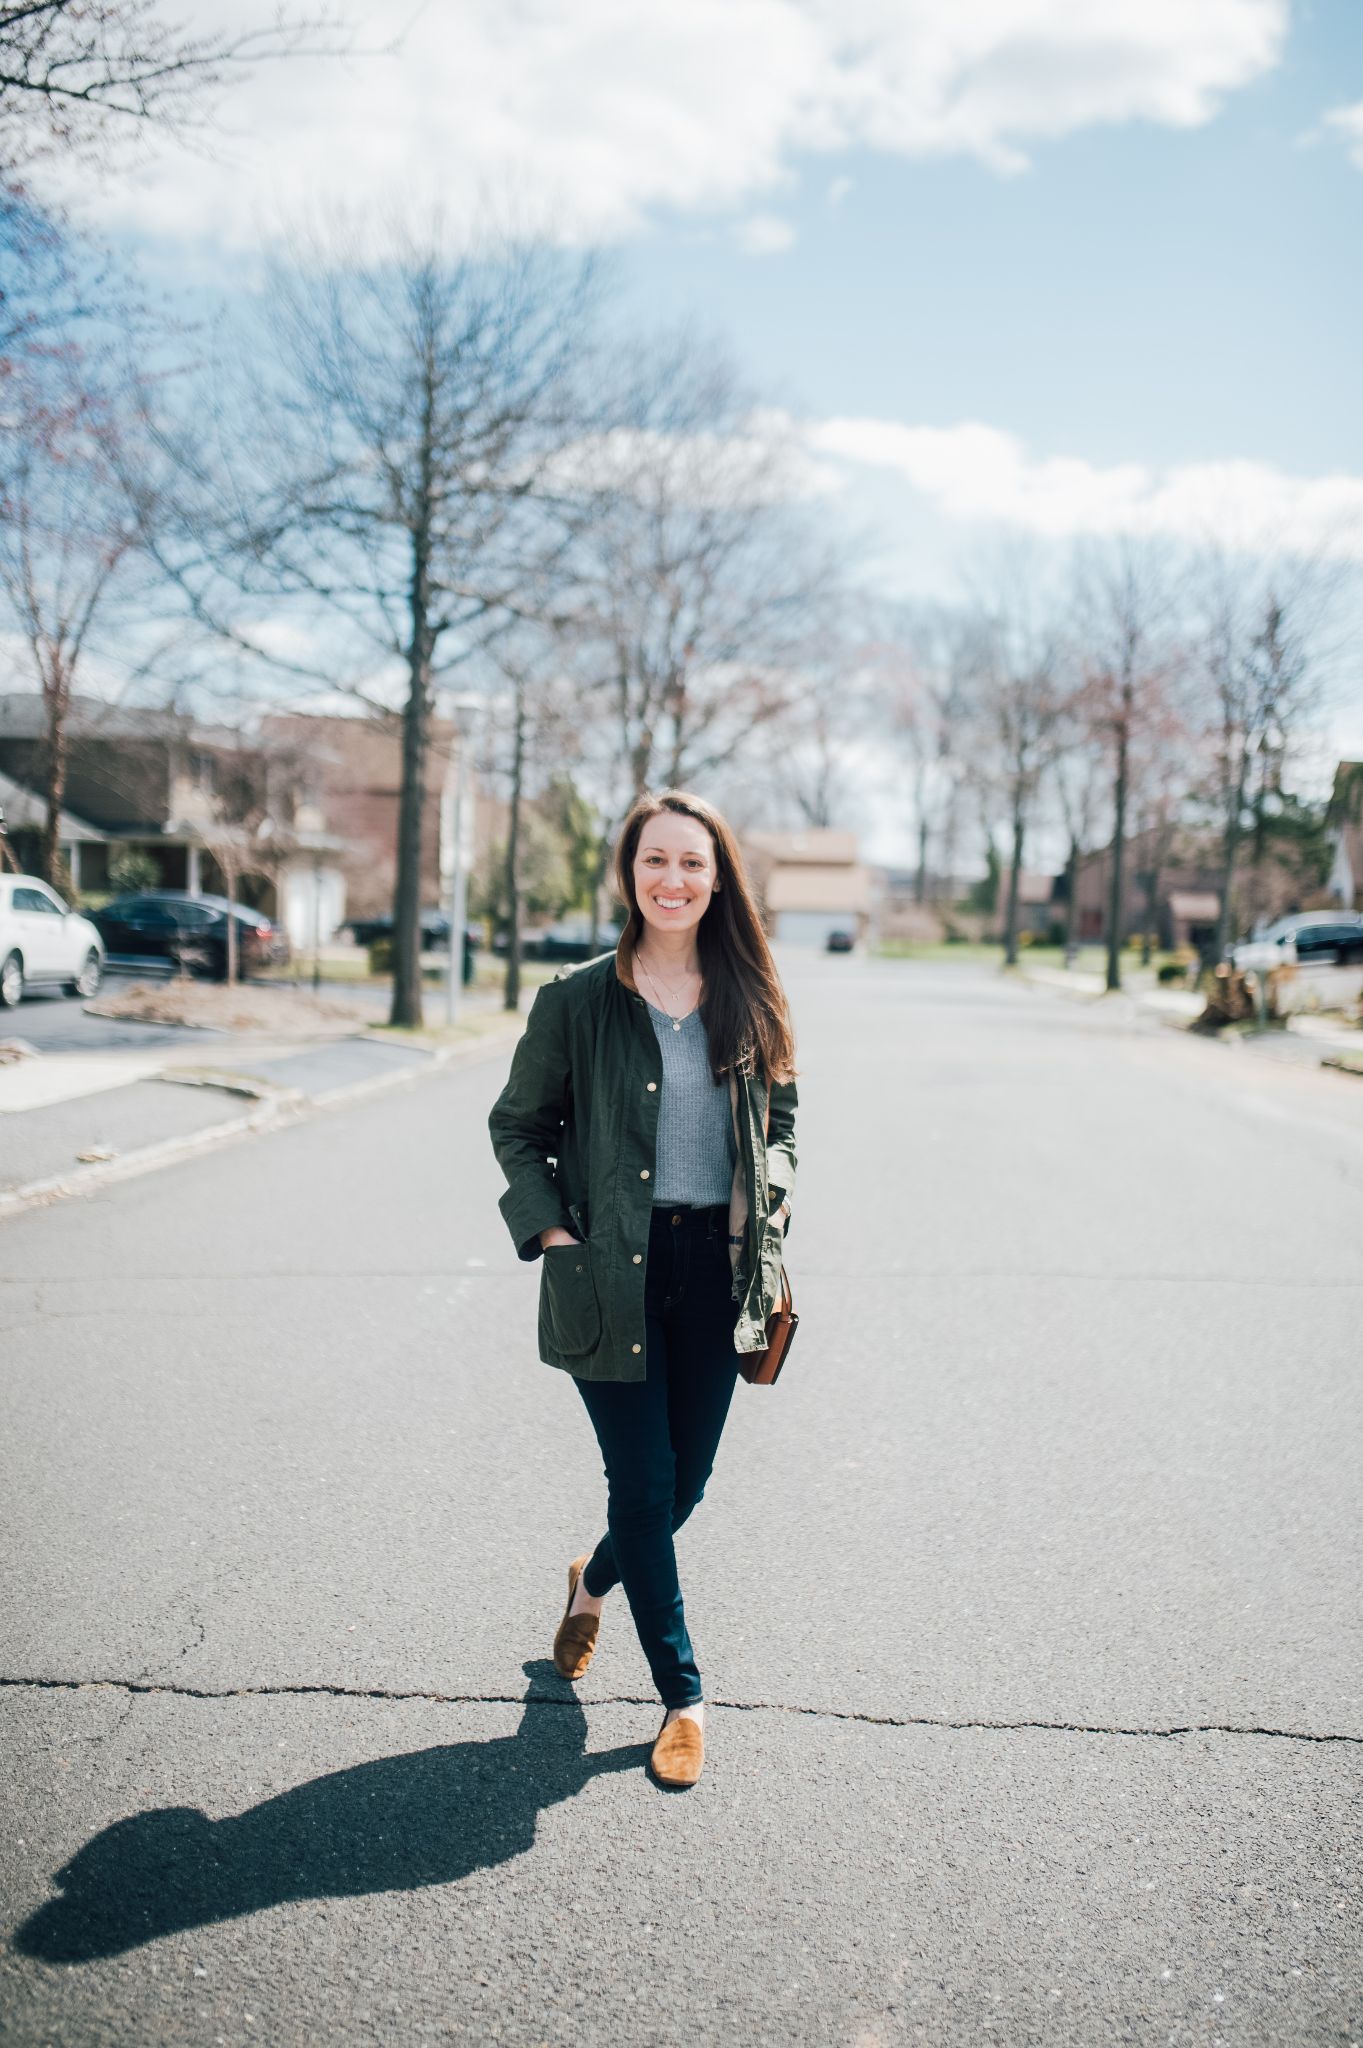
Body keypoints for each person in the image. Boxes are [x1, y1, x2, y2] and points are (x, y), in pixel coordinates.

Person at [488, 789, 798, 1790]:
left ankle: (592, 1579)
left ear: (718, 880)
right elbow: (517, 1126)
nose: (673, 879)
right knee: (646, 1483)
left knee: (688, 1482)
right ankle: (684, 1694)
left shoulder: (751, 991)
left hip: (719, 1268)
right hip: (607, 1270)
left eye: (692, 864)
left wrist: (774, 1207)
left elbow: (782, 1123)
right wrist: (552, 1228)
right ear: (628, 872)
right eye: (654, 860)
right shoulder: (575, 998)